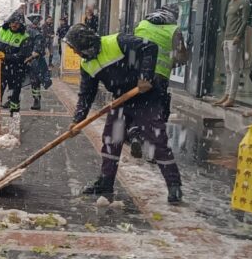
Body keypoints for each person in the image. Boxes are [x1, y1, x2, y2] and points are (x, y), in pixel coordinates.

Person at [64, 23, 184, 203]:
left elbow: (149, 47)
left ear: (85, 44)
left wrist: (145, 76)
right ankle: (106, 181)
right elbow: (86, 94)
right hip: (121, 98)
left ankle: (174, 186)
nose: (74, 52)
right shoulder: (87, 65)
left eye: (75, 48)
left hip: (146, 95)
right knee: (112, 138)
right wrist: (77, 120)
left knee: (156, 140)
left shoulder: (117, 41)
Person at [215, 0, 249, 108]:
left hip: (235, 39)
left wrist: (238, 36)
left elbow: (244, 21)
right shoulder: (230, 3)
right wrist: (225, 38)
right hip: (227, 38)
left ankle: (232, 97)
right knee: (228, 68)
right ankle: (226, 94)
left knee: (234, 69)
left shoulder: (244, 2)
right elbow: (229, 21)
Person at [0, 10, 31, 117]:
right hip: (0, 67)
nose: (14, 24)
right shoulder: (0, 30)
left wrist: (6, 56)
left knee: (15, 94)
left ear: (21, 25)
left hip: (16, 70)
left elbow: (22, 56)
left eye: (17, 23)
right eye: (12, 22)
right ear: (9, 22)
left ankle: (14, 115)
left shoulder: (25, 37)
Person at [24, 13, 51, 110]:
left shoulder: (36, 32)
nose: (36, 22)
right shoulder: (34, 31)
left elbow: (37, 48)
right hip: (32, 59)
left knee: (35, 81)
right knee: (34, 81)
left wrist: (29, 58)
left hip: (34, 60)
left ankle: (36, 100)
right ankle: (36, 100)